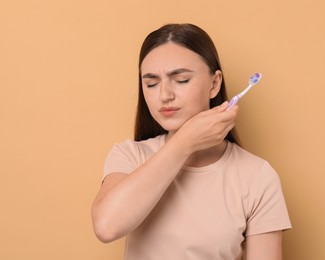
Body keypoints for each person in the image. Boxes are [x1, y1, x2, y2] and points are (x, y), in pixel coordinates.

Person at [91, 23, 291, 260]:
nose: (164, 95)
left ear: (214, 84)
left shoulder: (257, 176)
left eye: (182, 80)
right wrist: (184, 142)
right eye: (151, 83)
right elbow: (106, 227)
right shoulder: (129, 156)